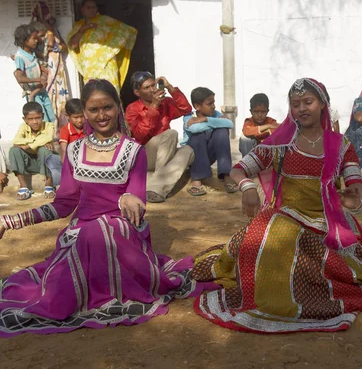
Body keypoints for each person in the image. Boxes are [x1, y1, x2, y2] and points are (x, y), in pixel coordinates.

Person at [0, 79, 216, 338]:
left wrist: (125, 199)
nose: (101, 115)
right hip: (80, 234)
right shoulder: (75, 150)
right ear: (86, 111)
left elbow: (137, 206)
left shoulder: (134, 151)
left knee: (98, 231)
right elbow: (63, 204)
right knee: (87, 235)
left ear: (118, 108)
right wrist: (10, 222)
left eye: (107, 108)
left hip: (122, 231)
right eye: (94, 109)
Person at [190, 78, 362, 333]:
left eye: (308, 102)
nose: (302, 109)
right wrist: (248, 188)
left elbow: (355, 185)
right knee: (265, 242)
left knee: (342, 269)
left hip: (329, 222)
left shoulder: (341, 145)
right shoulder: (280, 142)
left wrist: (355, 199)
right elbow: (239, 170)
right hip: (287, 216)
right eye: (296, 104)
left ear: (322, 105)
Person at [125, 71, 194, 203]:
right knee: (171, 133)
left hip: (164, 153)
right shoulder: (132, 109)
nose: (152, 90)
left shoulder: (166, 102)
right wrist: (154, 107)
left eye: (153, 85)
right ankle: (158, 183)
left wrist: (170, 88)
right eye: (146, 88)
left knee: (188, 151)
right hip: (145, 154)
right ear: (137, 92)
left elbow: (185, 109)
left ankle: (154, 186)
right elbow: (140, 135)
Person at [66, 0, 137, 91]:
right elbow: (73, 45)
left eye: (93, 7)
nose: (91, 10)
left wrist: (108, 52)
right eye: (88, 7)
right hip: (89, 66)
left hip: (106, 63)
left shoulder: (106, 21)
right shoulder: (78, 25)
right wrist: (83, 29)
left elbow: (128, 31)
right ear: (82, 9)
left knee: (110, 92)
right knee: (93, 93)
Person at [181, 87, 236, 195]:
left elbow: (230, 124)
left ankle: (226, 175)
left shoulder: (214, 114)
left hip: (209, 155)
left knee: (222, 131)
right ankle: (196, 180)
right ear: (197, 106)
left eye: (214, 102)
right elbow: (194, 129)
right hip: (192, 158)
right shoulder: (188, 116)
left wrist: (205, 119)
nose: (213, 106)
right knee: (198, 135)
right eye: (209, 103)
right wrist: (218, 122)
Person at [31, 1, 71, 132]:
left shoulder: (53, 31)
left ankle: (63, 129)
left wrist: (56, 47)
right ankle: (52, 130)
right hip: (48, 69)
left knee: (60, 96)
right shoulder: (38, 35)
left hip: (58, 69)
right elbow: (45, 49)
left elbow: (65, 48)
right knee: (49, 95)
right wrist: (49, 33)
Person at [9, 102, 57, 200]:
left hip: (46, 164)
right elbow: (16, 141)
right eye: (30, 119)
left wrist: (28, 146)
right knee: (14, 150)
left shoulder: (49, 126)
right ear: (25, 120)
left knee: (45, 149)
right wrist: (35, 142)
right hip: (30, 164)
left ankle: (49, 184)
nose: (35, 122)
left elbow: (48, 137)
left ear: (42, 116)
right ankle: (24, 186)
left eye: (38, 118)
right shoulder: (23, 127)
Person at [12, 24, 56, 123]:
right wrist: (38, 79)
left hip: (41, 91)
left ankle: (52, 137)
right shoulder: (20, 57)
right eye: (33, 38)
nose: (36, 41)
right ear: (24, 40)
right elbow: (20, 77)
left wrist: (43, 74)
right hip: (33, 93)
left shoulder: (32, 52)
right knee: (41, 120)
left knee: (51, 118)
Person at [44, 98, 85, 187]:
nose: (80, 120)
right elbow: (63, 150)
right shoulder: (65, 130)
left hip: (86, 161)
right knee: (52, 161)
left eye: (82, 116)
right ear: (67, 116)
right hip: (71, 162)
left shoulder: (88, 129)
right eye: (76, 117)